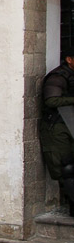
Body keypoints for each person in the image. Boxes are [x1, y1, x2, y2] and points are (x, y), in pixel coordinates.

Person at [41, 47, 74, 215]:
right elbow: (51, 100)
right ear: (69, 59)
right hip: (57, 127)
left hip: (69, 125)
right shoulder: (58, 77)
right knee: (66, 168)